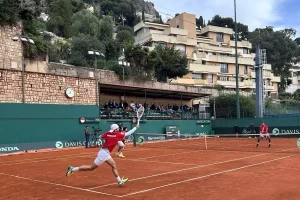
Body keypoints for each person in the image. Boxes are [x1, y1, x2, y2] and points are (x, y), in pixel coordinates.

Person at [66, 124, 139, 187]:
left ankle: (119, 181)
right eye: (117, 128)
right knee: (91, 168)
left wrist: (109, 139)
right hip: (103, 154)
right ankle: (72, 169)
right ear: (115, 129)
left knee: (114, 165)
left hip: (105, 153)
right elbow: (128, 133)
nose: (118, 129)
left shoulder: (107, 133)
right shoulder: (117, 134)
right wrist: (136, 127)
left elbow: (100, 136)